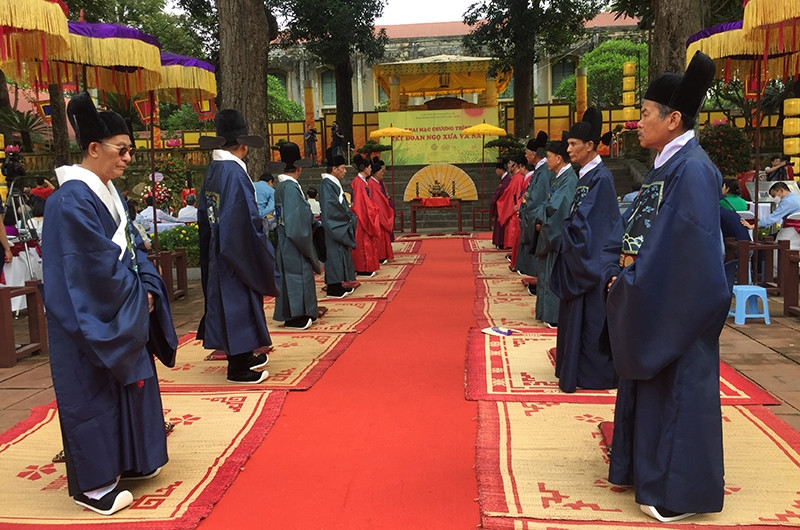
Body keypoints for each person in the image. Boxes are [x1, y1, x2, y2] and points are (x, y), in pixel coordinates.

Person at [604, 51, 728, 523]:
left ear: (673, 119)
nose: (637, 123)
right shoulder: (667, 164)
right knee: (653, 390)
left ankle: (680, 495)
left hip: (679, 305)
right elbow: (647, 230)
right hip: (651, 289)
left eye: (645, 114)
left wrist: (633, 281)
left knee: (678, 393)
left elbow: (686, 252)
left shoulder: (692, 168)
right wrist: (626, 273)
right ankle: (647, 472)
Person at [43, 92, 178, 516]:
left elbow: (133, 247)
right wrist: (139, 296)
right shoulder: (69, 201)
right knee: (92, 392)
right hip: (88, 315)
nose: (126, 159)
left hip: (122, 303)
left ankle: (129, 460)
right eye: (121, 150)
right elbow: (88, 268)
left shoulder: (108, 194)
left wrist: (149, 289)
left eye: (130, 151)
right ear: (94, 148)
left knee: (128, 384)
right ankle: (95, 484)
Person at [197, 108, 279, 384]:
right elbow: (243, 218)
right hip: (234, 250)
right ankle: (238, 367)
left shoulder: (214, 169)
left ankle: (244, 355)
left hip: (218, 247)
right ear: (243, 145)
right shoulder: (233, 172)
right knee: (238, 306)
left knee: (235, 306)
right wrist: (260, 247)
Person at [549, 107, 620, 393]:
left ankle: (591, 376)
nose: (568, 149)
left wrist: (564, 237)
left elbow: (591, 225)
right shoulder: (586, 176)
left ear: (590, 146)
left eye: (573, 145)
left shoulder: (601, 178)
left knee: (590, 322)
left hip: (591, 263)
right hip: (579, 256)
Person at [272, 141, 321, 330]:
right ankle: (298, 315)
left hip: (285, 238)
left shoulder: (281, 187)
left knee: (289, 277)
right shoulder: (291, 188)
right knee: (297, 276)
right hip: (294, 240)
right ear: (299, 168)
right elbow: (296, 221)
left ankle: (292, 314)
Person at [534, 132, 577, 327]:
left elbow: (558, 208)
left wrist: (542, 218)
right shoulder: (558, 177)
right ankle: (546, 313)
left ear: (558, 158)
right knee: (546, 275)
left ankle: (553, 316)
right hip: (549, 230)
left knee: (552, 275)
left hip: (556, 236)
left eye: (549, 157)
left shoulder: (568, 180)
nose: (546, 160)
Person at [319, 150, 357, 298]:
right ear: (334, 169)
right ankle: (333, 288)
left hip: (338, 224)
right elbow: (331, 208)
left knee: (339, 255)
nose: (345, 171)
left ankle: (339, 284)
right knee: (334, 256)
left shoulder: (332, 183)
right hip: (333, 226)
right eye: (343, 168)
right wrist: (348, 217)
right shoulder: (327, 185)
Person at [516, 133, 551, 277]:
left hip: (535, 215)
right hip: (530, 213)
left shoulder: (543, 173)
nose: (525, 156)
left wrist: (526, 212)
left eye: (526, 153)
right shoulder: (539, 170)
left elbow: (538, 198)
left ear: (534, 154)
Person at [350, 153, 381, 276]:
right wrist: (372, 210)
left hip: (365, 213)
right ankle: (363, 268)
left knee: (367, 243)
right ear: (365, 168)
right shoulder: (358, 183)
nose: (371, 169)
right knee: (363, 244)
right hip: (362, 215)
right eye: (369, 167)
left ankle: (367, 267)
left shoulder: (362, 182)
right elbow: (359, 203)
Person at [497, 154, 527, 264]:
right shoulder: (516, 177)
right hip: (513, 207)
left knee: (515, 234)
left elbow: (520, 194)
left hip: (515, 209)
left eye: (510, 163)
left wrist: (518, 205)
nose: (508, 165)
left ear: (515, 165)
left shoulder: (518, 177)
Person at [370, 158, 394, 264]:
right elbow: (376, 200)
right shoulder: (371, 183)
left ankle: (383, 256)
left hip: (381, 211)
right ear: (375, 173)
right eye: (380, 172)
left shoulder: (377, 182)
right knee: (379, 236)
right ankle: (380, 256)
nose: (382, 174)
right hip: (378, 213)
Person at [489, 159, 511, 249]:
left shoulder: (507, 180)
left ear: (501, 170)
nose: (496, 171)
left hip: (503, 205)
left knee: (501, 224)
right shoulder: (505, 180)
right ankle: (500, 242)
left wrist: (494, 200)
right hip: (501, 204)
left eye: (497, 169)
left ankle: (502, 242)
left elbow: (502, 193)